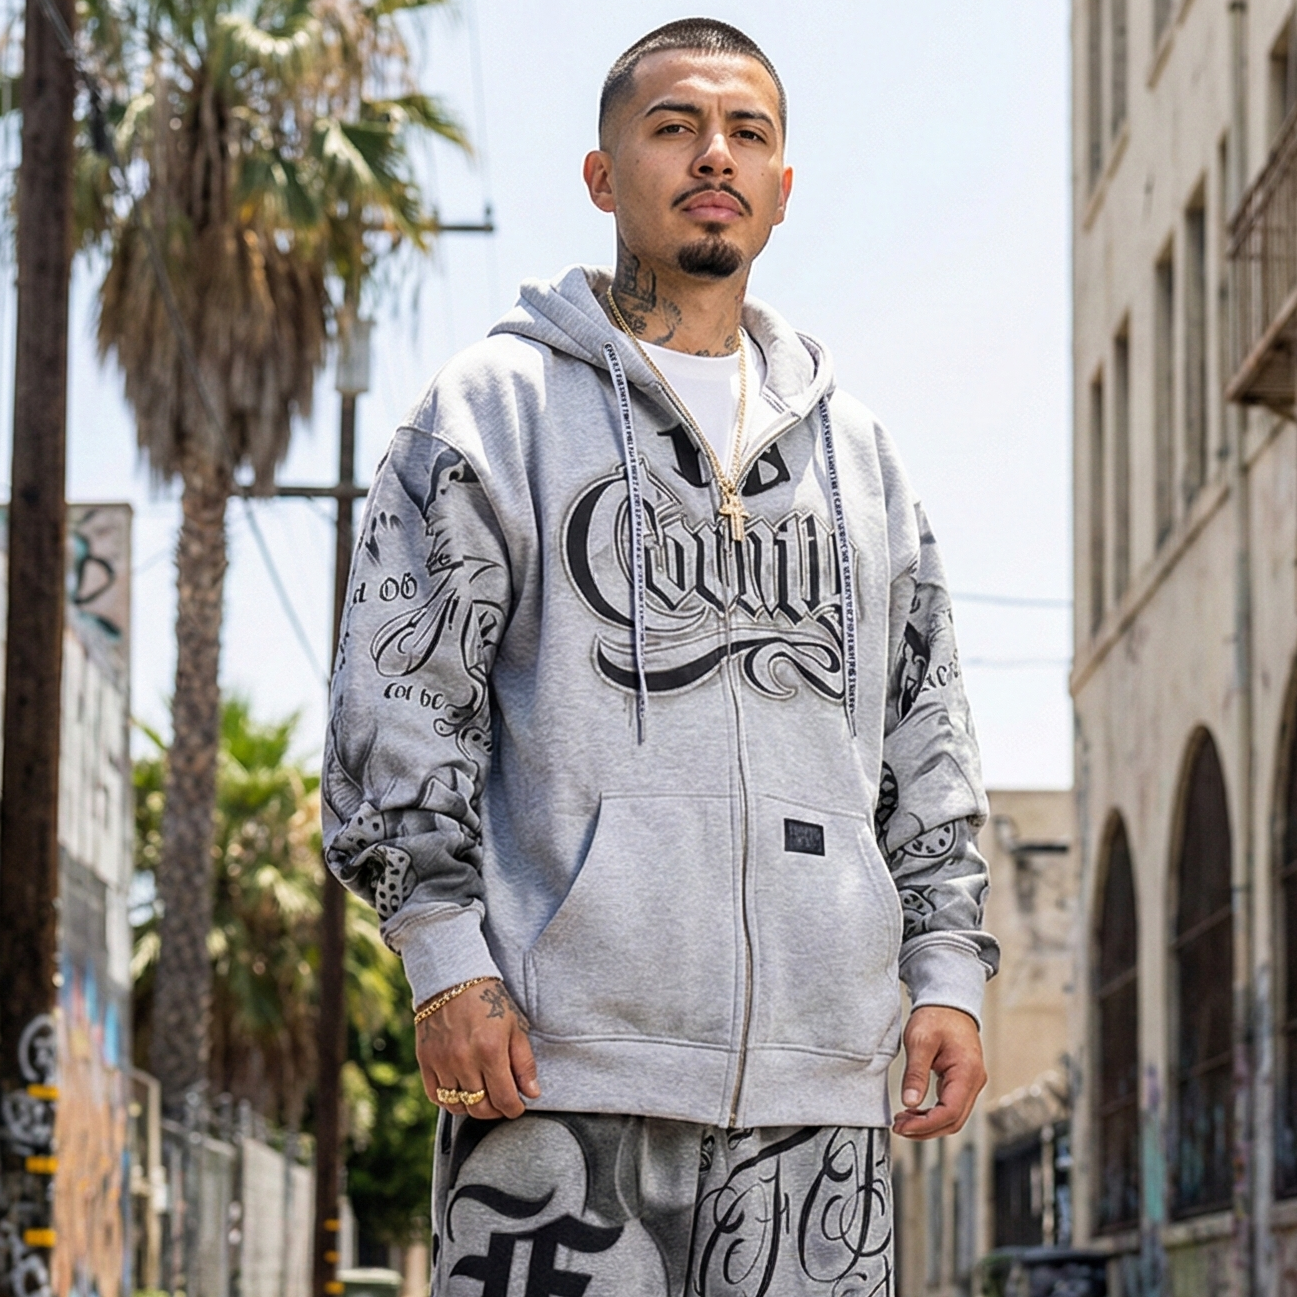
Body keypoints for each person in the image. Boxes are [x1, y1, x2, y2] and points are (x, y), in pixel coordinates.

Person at [323, 18, 999, 1294]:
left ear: (783, 187)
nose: (714, 155)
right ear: (601, 175)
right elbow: (401, 700)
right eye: (674, 126)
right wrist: (444, 960)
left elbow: (927, 736)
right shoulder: (495, 408)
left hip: (818, 1095)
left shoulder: (860, 457)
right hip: (555, 1075)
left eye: (747, 133)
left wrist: (948, 971)